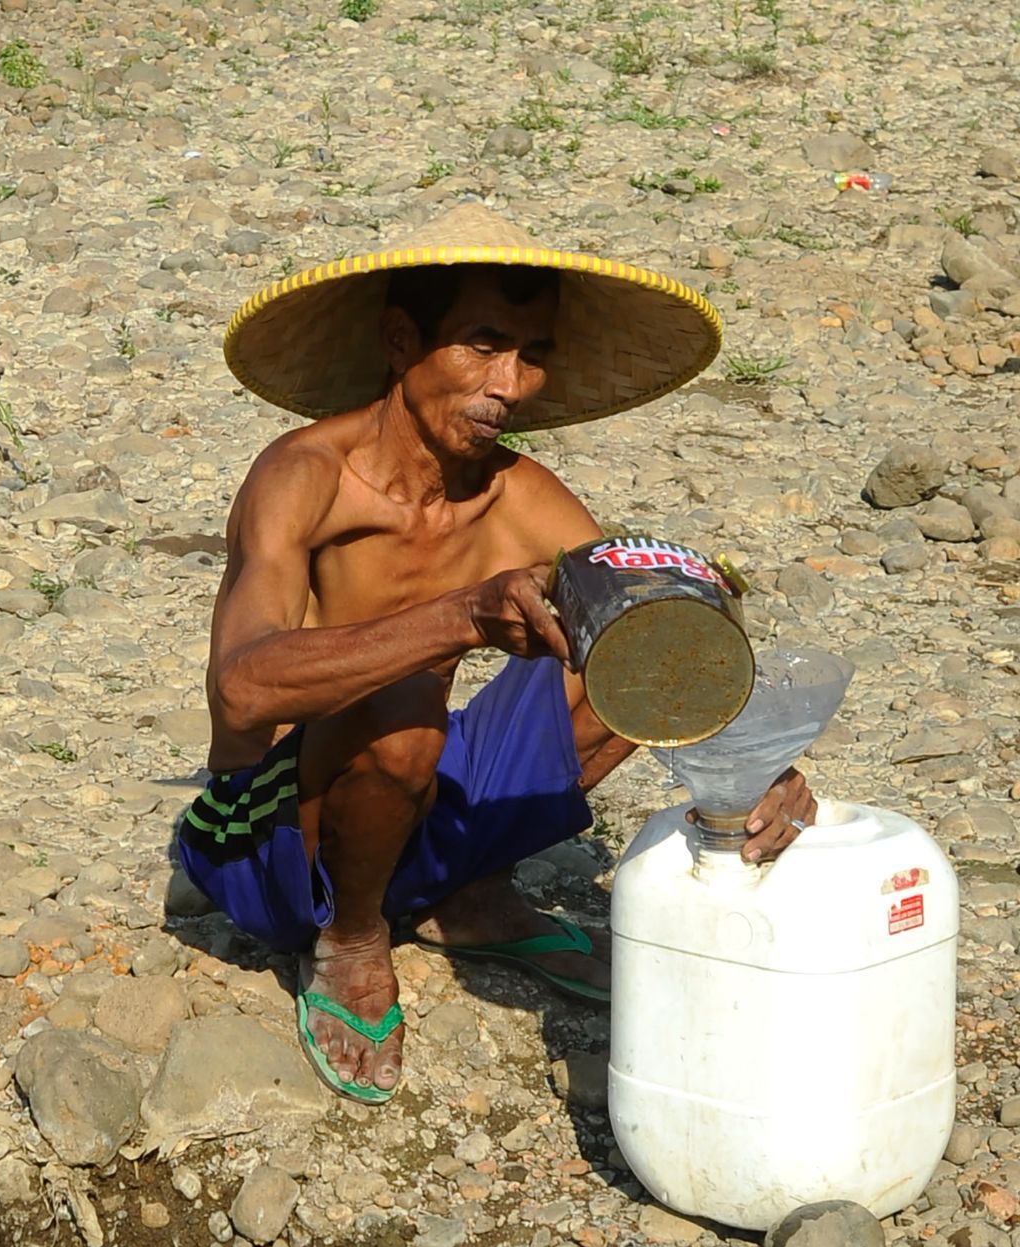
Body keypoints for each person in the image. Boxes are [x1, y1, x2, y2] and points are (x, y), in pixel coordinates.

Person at [178, 205, 816, 1104]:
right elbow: (242, 696)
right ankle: (353, 937)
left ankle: (456, 893)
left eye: (531, 353)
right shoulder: (306, 477)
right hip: (264, 833)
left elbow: (659, 642)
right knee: (404, 708)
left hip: (406, 787)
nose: (511, 385)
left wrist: (762, 767)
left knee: (627, 657)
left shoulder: (517, 496)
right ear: (404, 342)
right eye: (483, 345)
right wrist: (461, 616)